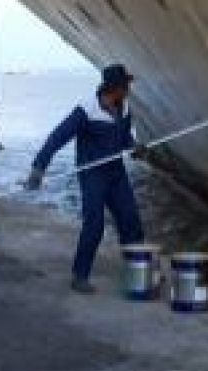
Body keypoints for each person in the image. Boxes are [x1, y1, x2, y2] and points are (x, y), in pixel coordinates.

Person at [25, 64, 148, 294]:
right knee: (95, 224)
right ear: (115, 88)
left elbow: (124, 138)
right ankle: (80, 275)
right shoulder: (87, 109)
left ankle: (138, 272)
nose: (129, 89)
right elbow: (57, 137)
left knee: (130, 220)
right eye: (126, 85)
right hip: (92, 173)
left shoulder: (125, 107)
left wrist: (134, 147)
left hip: (116, 172)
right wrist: (38, 168)